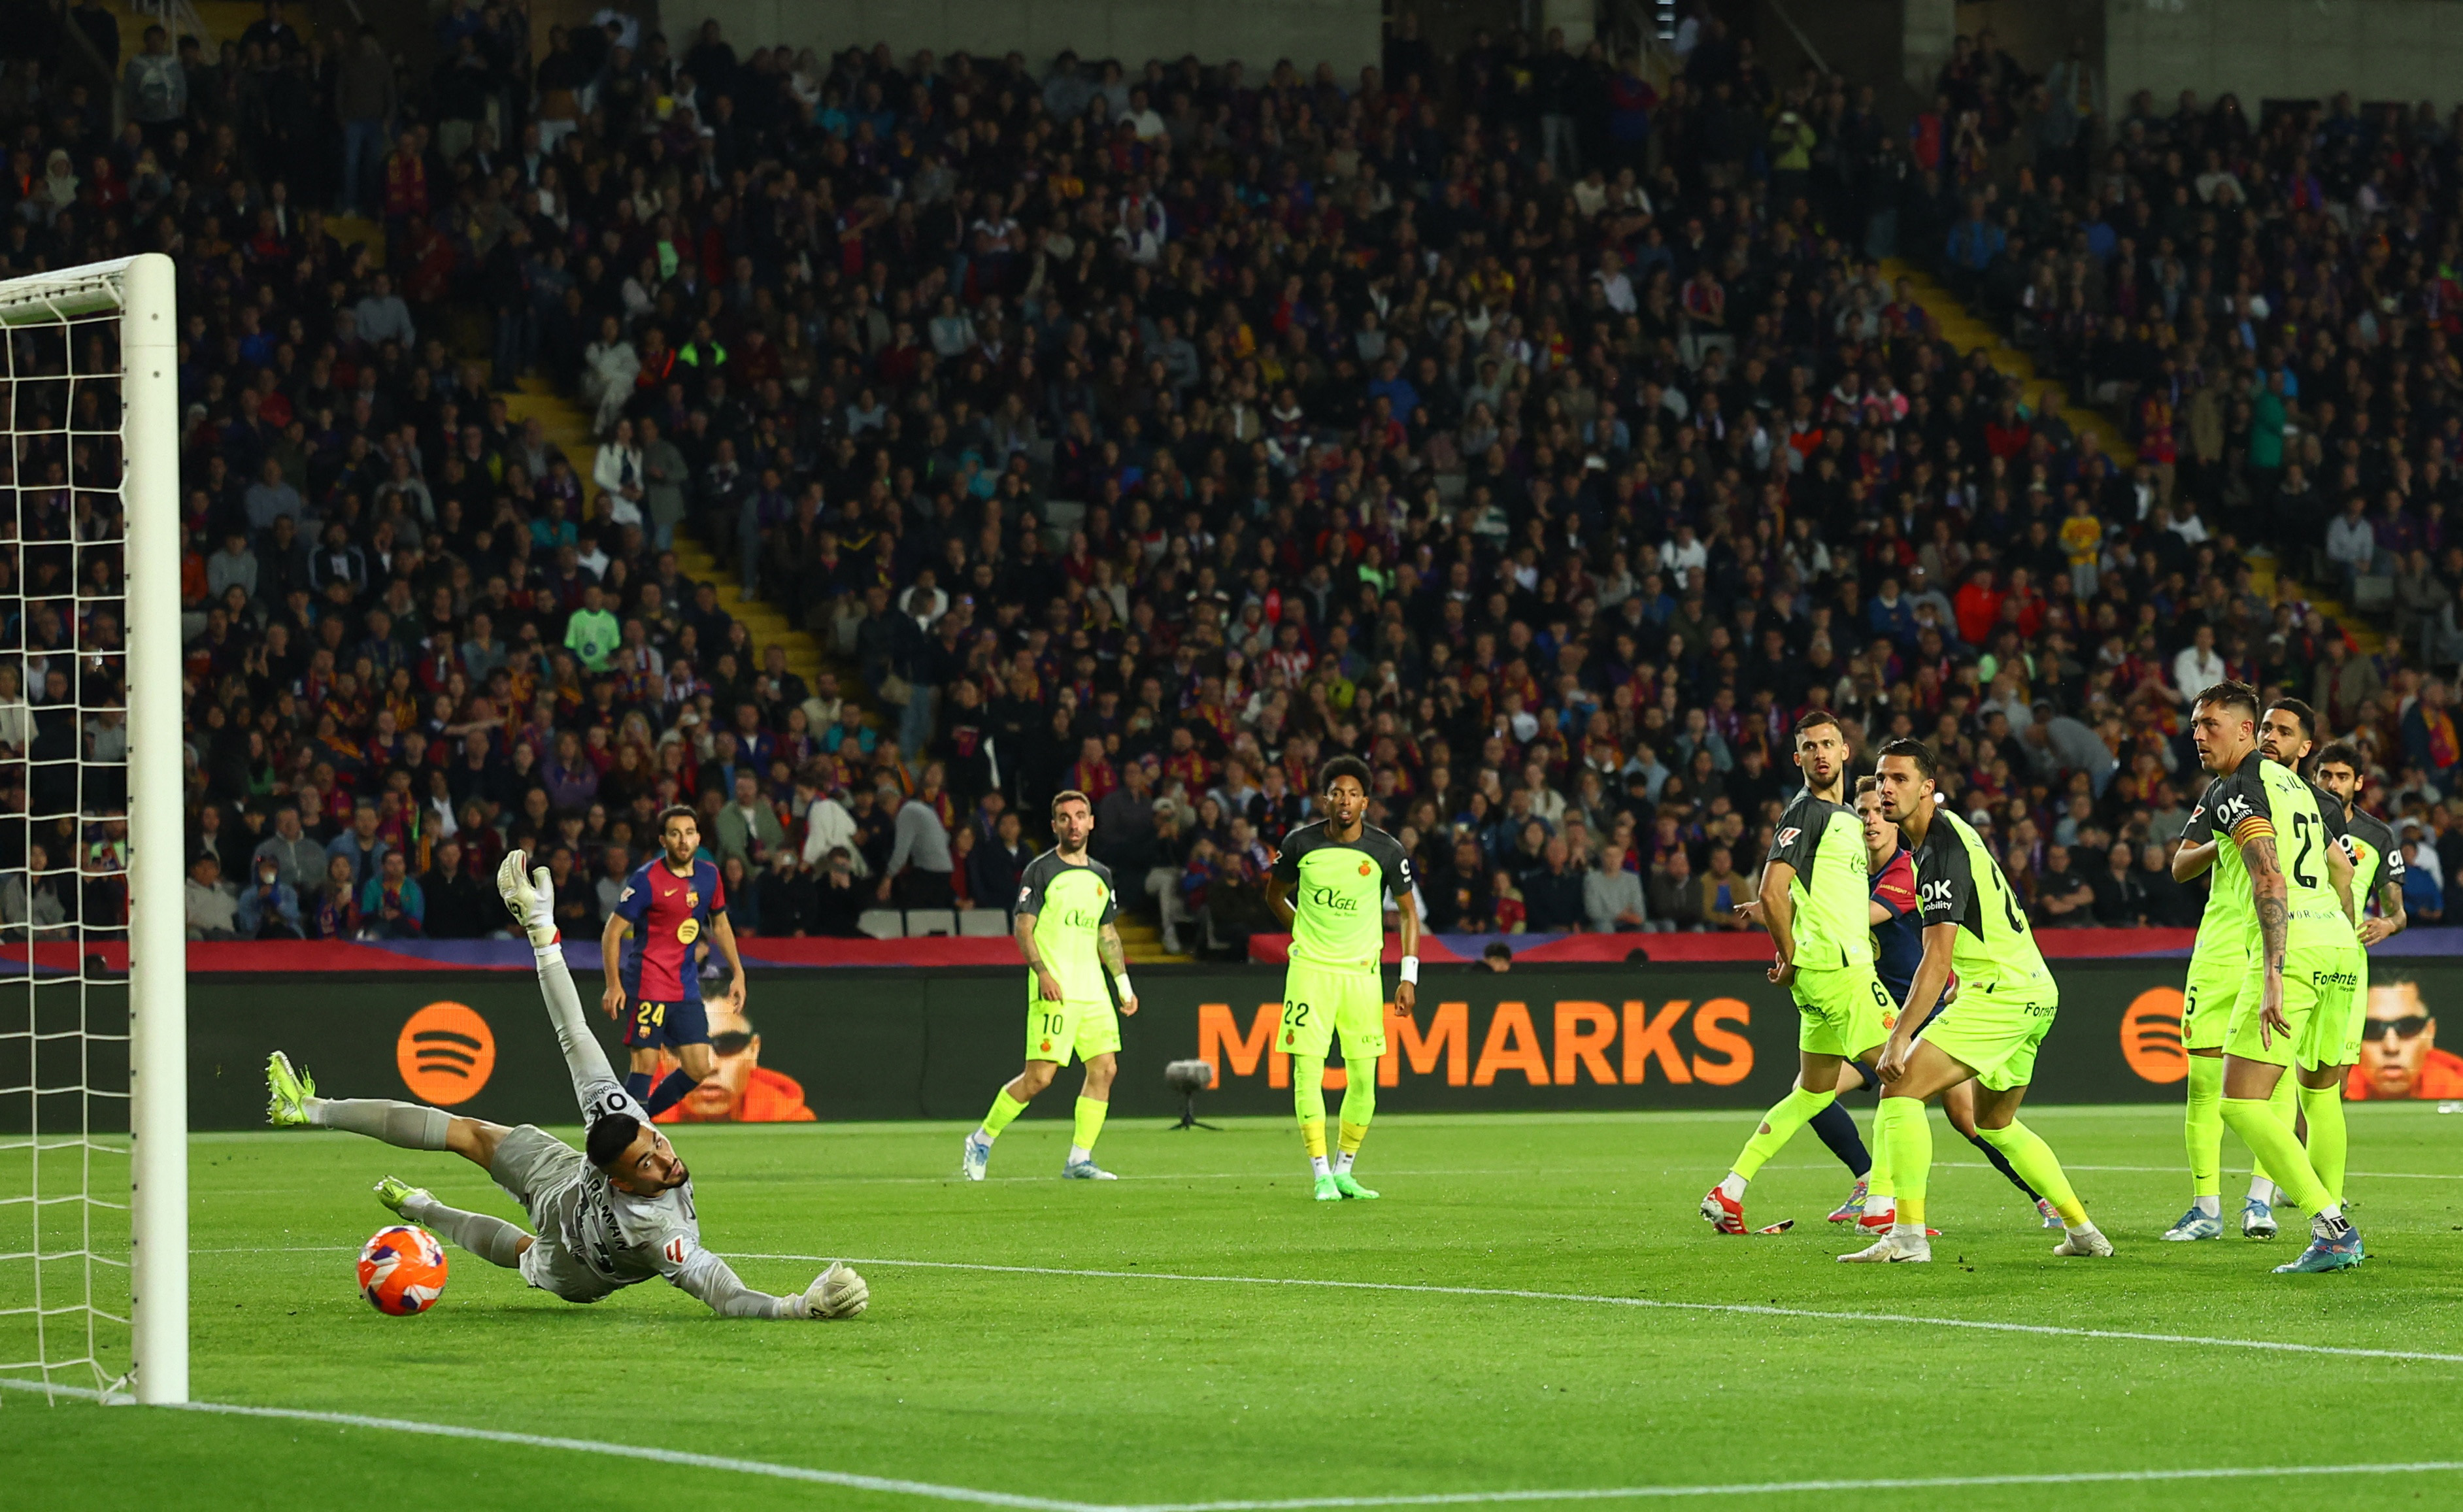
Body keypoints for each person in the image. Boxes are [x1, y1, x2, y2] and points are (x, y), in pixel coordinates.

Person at [262, 850, 865, 1320]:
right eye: (650, 1162)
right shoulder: (652, 1212)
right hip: (571, 1192)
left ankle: (426, 1208)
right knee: (470, 1134)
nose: (665, 1156)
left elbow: (571, 1028)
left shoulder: (633, 1161)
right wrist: (793, 1306)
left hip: (577, 1265)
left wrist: (543, 932)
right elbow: (725, 1295)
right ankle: (309, 1109)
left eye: (656, 1145)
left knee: (527, 1247)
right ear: (620, 1177)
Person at [1849, 738, 2112, 1264]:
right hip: (2034, 991)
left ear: (1928, 787)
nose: (1885, 789)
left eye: (1899, 779)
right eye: (1881, 779)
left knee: (1898, 1092)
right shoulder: (1938, 842)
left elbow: (1937, 957)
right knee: (1995, 1122)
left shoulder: (1941, 847)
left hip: (2002, 996)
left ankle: (1908, 1234)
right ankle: (2083, 1231)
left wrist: (1900, 1036)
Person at [2160, 682, 2364, 1273]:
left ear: (2245, 730)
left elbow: (2269, 880)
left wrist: (2274, 971)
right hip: (2336, 946)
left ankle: (2331, 1227)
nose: (2198, 733)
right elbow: (2340, 868)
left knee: (2240, 1103)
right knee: (2320, 1094)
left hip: (2292, 949)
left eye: (2211, 724)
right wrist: (2340, 934)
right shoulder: (2301, 787)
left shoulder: (2235, 789)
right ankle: (2330, 1217)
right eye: (2195, 724)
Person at [1700, 712, 1896, 1235]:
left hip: (1822, 975)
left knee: (1812, 1093)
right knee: (1908, 1073)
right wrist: (1787, 955)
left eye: (1829, 744)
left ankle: (1731, 1190)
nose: (1821, 754)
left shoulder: (1845, 820)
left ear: (1845, 751)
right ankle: (1883, 1204)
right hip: (1839, 971)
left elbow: (1799, 896)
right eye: (1810, 747)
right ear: (1798, 758)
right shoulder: (1805, 812)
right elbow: (1773, 888)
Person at [961, 790, 1139, 1181]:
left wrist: (1122, 984)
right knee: (1039, 1078)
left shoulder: (1101, 875)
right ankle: (982, 1139)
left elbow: (1107, 934)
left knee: (1105, 1069)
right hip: (1055, 988)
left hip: (1094, 991)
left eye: (1080, 816)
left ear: (1091, 822)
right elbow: (1024, 928)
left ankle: (1080, 1159)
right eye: (1064, 817)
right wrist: (1042, 972)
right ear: (1055, 824)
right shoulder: (1040, 871)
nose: (1073, 824)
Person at [1264, 756, 1419, 1201]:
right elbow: (1275, 894)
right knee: (1307, 1070)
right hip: (1311, 972)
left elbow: (1409, 914)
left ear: (1365, 801)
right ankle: (1320, 1174)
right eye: (1337, 792)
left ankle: (1345, 1169)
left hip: (1362, 977)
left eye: (1353, 793)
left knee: (1364, 1078)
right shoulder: (1300, 843)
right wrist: (1303, 931)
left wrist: (1408, 976)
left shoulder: (1386, 850)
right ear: (1326, 798)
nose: (1345, 800)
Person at [601, 805, 748, 1121]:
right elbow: (612, 933)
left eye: (690, 833)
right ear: (663, 840)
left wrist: (738, 973)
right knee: (645, 1066)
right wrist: (613, 985)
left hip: (685, 987)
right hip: (648, 983)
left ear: (698, 838)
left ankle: (633, 1122)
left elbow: (720, 925)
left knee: (699, 1066)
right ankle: (628, 1140)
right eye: (675, 834)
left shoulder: (710, 875)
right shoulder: (646, 880)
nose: (683, 841)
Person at [2305, 738, 2407, 1163]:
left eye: (2342, 776)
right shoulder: (2296, 820)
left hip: (2348, 961)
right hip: (2299, 948)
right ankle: (2280, 1175)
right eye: (2325, 774)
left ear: (2359, 782)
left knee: (2336, 1075)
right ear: (2314, 777)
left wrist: (2386, 922)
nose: (2332, 783)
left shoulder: (2377, 835)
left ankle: (2312, 1173)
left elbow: (2398, 913)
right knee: (2283, 1070)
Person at [650, 1006, 816, 1123]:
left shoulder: (794, 1122)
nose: (709, 1066)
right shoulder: (635, 1122)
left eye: (728, 1045)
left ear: (754, 1050)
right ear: (663, 1055)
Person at [2345, 977, 2463, 1100]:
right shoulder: (2330, 1093)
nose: (2391, 1047)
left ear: (2430, 1032)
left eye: (2408, 1027)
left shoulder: (2457, 1089)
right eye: (2372, 1029)